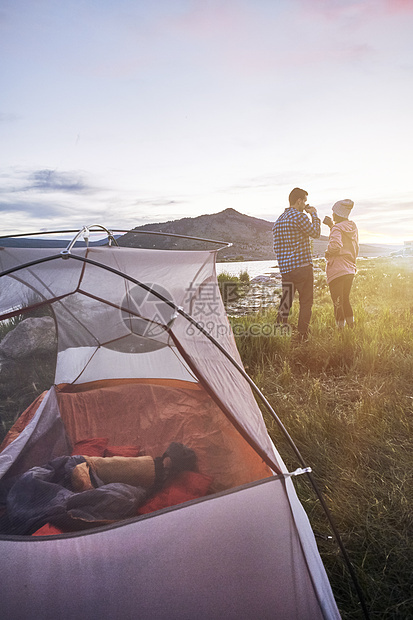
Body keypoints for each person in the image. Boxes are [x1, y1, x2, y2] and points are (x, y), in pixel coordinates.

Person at [272, 187, 321, 340]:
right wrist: (314, 214)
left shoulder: (278, 220)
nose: (304, 204)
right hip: (302, 267)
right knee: (306, 302)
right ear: (299, 201)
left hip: (286, 269)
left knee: (286, 302)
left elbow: (277, 248)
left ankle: (278, 331)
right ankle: (302, 335)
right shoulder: (300, 217)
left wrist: (283, 266)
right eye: (304, 201)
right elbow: (316, 233)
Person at [323, 199, 359, 328]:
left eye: (333, 212)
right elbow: (354, 246)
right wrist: (331, 226)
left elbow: (336, 245)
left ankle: (340, 333)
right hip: (349, 269)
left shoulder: (337, 228)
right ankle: (351, 327)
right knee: (345, 300)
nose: (332, 215)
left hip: (337, 269)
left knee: (337, 303)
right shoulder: (352, 227)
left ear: (338, 214)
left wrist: (328, 252)